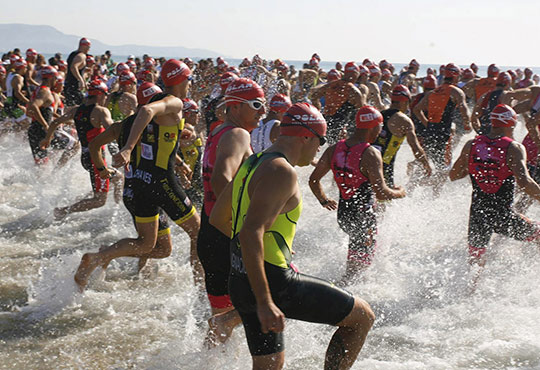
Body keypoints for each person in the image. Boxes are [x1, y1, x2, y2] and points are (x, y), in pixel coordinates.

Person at [210, 102, 375, 370]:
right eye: (320, 141)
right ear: (306, 136)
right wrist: (265, 301)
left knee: (268, 367)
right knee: (362, 317)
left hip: (241, 278)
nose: (319, 148)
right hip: (274, 283)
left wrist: (267, 245)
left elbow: (219, 218)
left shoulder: (253, 161)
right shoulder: (281, 170)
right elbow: (251, 231)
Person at [74, 60, 202, 291]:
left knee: (152, 246)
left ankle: (99, 257)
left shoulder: (126, 124)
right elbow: (146, 111)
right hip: (161, 184)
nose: (190, 84)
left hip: (135, 188)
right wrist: (127, 148)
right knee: (198, 232)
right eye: (189, 79)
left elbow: (95, 146)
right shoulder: (172, 102)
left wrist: (102, 170)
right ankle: (202, 286)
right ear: (181, 80)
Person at [199, 77, 266, 345]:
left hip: (210, 234)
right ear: (236, 107)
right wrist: (243, 231)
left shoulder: (217, 131)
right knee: (274, 294)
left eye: (264, 104)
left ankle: (208, 363)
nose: (263, 111)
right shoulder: (238, 134)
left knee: (222, 319)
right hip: (226, 235)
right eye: (257, 104)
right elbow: (220, 179)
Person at [309, 105, 407, 279]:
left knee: (359, 259)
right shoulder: (370, 153)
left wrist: (324, 200)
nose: (380, 131)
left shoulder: (334, 149)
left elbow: (314, 180)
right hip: (363, 217)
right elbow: (382, 193)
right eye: (380, 127)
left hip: (344, 215)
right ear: (373, 127)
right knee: (355, 273)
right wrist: (400, 192)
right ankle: (345, 298)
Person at [449, 104, 540, 285]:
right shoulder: (513, 147)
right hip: (502, 215)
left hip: (477, 215)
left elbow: (454, 175)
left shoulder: (472, 144)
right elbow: (525, 183)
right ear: (511, 124)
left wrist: (481, 167)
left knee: (475, 268)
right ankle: (531, 279)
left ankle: (468, 298)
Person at [41, 79, 121, 219]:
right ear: (100, 95)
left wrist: (47, 138)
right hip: (96, 160)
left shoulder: (77, 110)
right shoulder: (101, 111)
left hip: (85, 157)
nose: (106, 98)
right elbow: (112, 129)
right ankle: (63, 211)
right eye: (105, 95)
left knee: (118, 179)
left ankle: (116, 210)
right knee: (100, 200)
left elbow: (54, 122)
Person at [413, 63, 471, 192]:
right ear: (455, 76)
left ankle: (413, 186)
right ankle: (429, 192)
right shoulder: (455, 91)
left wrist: (427, 123)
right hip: (443, 135)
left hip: (430, 132)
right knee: (444, 170)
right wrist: (467, 125)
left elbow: (417, 109)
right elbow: (463, 108)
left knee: (428, 162)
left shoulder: (433, 91)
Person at [372, 85, 432, 187]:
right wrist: (426, 164)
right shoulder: (404, 121)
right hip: (384, 165)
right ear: (404, 102)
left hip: (369, 160)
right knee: (384, 199)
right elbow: (415, 147)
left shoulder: (380, 114)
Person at [310, 62, 365, 144]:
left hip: (326, 122)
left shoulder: (331, 85)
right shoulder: (354, 91)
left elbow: (314, 96)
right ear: (355, 74)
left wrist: (318, 110)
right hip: (342, 127)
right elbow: (362, 113)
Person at [64, 38, 91, 106]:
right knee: (79, 107)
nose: (89, 49)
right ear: (85, 46)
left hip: (68, 85)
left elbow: (71, 69)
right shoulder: (81, 56)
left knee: (70, 107)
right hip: (74, 86)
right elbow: (73, 67)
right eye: (89, 47)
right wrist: (81, 80)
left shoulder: (73, 54)